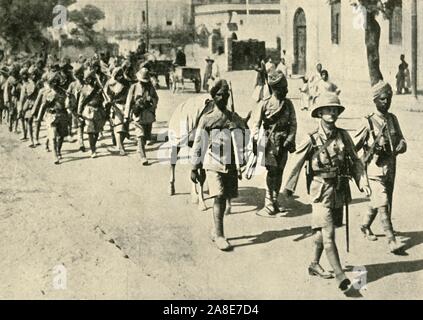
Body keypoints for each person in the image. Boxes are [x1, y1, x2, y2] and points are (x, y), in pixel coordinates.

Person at [283, 92, 371, 292]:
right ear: (320, 113)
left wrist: (362, 181)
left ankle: (314, 264)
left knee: (322, 232)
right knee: (329, 234)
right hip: (320, 191)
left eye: (335, 110)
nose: (332, 113)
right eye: (328, 110)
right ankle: (341, 278)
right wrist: (287, 188)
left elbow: (355, 161)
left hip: (339, 190)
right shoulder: (311, 138)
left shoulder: (343, 136)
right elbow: (295, 163)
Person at [191, 79, 247, 251]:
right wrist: (194, 167)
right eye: (219, 95)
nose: (223, 98)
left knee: (225, 197)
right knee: (219, 197)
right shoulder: (207, 119)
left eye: (226, 95)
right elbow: (199, 143)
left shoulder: (233, 117)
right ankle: (220, 235)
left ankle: (215, 230)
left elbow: (246, 134)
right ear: (213, 97)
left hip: (230, 163)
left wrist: (237, 127)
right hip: (213, 162)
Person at [354, 81, 407, 254]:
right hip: (374, 169)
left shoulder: (392, 119)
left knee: (379, 201)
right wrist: (371, 149)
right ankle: (392, 241)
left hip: (391, 167)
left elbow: (402, 139)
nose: (386, 102)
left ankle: (365, 225)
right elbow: (353, 147)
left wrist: (402, 145)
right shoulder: (367, 121)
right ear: (375, 100)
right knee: (383, 203)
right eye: (383, 99)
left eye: (389, 98)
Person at [252, 70, 297, 217]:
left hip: (284, 143)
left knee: (280, 172)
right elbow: (256, 124)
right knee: (272, 172)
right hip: (269, 143)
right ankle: (268, 202)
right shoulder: (265, 104)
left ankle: (275, 200)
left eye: (286, 87)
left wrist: (290, 139)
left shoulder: (288, 104)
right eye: (282, 88)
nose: (285, 90)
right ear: (274, 89)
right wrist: (255, 139)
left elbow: (293, 124)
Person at [125, 67, 159, 165]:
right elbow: (128, 101)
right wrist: (126, 115)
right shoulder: (134, 87)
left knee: (146, 136)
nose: (143, 83)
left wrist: (151, 102)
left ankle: (140, 148)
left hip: (148, 116)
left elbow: (156, 99)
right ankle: (143, 157)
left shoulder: (151, 87)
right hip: (138, 115)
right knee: (140, 135)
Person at [37, 73, 70, 164]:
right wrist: (39, 117)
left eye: (56, 81)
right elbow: (43, 105)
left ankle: (58, 150)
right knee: (53, 136)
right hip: (51, 116)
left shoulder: (63, 92)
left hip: (62, 115)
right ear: (50, 83)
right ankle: (55, 155)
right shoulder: (48, 93)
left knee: (62, 136)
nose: (55, 83)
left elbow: (67, 102)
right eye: (52, 82)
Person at [78, 69, 106, 159]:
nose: (89, 80)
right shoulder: (84, 89)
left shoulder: (98, 88)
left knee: (97, 131)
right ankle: (93, 150)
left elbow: (103, 99)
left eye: (91, 78)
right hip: (88, 110)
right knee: (90, 130)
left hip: (98, 110)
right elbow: (81, 102)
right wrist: (79, 112)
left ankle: (93, 145)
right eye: (87, 79)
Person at [105, 67, 131, 156]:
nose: (119, 77)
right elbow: (107, 96)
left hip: (127, 106)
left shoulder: (127, 83)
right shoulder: (110, 84)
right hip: (116, 106)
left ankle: (119, 144)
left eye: (120, 75)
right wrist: (109, 103)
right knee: (119, 126)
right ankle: (120, 147)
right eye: (117, 75)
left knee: (125, 127)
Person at [20, 65, 42, 148]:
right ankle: (31, 140)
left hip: (38, 104)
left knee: (37, 122)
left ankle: (36, 139)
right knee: (29, 121)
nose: (34, 76)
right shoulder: (26, 84)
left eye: (35, 74)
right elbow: (22, 98)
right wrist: (21, 108)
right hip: (29, 104)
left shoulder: (40, 83)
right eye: (32, 74)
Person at [66, 65, 85, 151]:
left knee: (81, 124)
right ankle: (80, 142)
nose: (80, 76)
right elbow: (68, 95)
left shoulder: (85, 83)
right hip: (74, 107)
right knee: (79, 124)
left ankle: (80, 142)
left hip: (84, 107)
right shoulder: (72, 84)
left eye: (81, 74)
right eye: (77, 74)